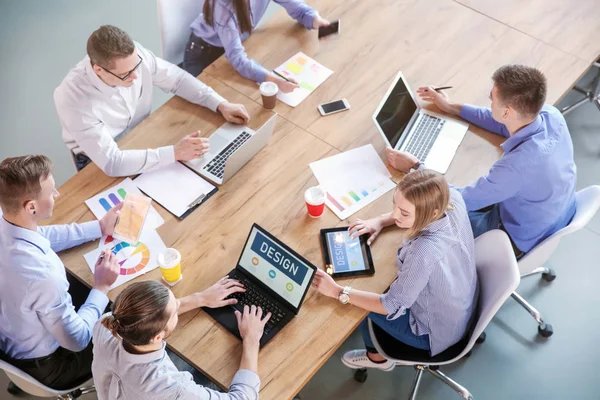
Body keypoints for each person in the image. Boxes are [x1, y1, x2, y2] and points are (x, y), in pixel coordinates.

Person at [386, 64, 577, 256]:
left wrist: (415, 167)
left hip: (519, 236)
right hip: (557, 210)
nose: (489, 99)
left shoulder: (516, 167)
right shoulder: (552, 116)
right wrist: (451, 107)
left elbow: (459, 200)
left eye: (493, 96)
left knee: (433, 221)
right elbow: (504, 125)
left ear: (507, 112)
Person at [312, 169, 479, 370]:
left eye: (405, 213)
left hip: (432, 334)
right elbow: (414, 209)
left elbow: (391, 305)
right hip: (463, 306)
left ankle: (377, 358)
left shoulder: (424, 251)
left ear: (432, 212)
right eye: (395, 205)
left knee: (359, 301)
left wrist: (337, 291)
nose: (396, 215)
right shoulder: (452, 198)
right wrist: (381, 221)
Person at [54, 25, 250, 176]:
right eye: (126, 74)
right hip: (97, 157)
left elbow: (177, 79)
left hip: (140, 133)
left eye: (136, 67)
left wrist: (219, 103)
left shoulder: (133, 57)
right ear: (99, 70)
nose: (136, 77)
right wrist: (175, 153)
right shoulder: (72, 98)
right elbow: (112, 163)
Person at [0, 155, 121, 390]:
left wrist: (98, 227)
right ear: (31, 206)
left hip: (12, 337)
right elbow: (78, 340)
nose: (58, 195)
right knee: (128, 315)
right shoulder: (43, 275)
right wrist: (102, 287)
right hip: (55, 364)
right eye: (52, 191)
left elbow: (38, 235)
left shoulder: (6, 217)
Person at [93, 279, 270, 399]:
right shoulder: (171, 387)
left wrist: (201, 298)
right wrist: (252, 340)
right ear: (157, 336)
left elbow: (141, 317)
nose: (179, 303)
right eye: (175, 309)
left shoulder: (108, 323)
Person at [184, 0, 330, 92]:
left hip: (234, 46)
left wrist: (316, 21)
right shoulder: (223, 5)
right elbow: (237, 59)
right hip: (204, 54)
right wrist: (276, 80)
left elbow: (298, 9)